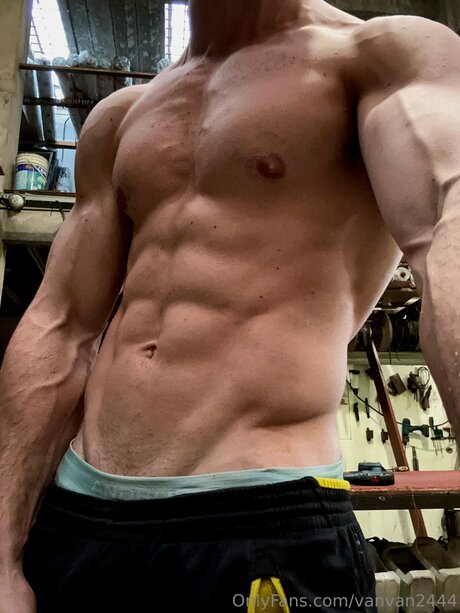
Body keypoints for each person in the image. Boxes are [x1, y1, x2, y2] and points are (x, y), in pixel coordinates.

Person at [1, 0, 459, 611]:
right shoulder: (122, 116)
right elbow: (59, 325)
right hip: (79, 516)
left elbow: (449, 236)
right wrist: (3, 552)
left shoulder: (377, 57)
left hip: (261, 518)